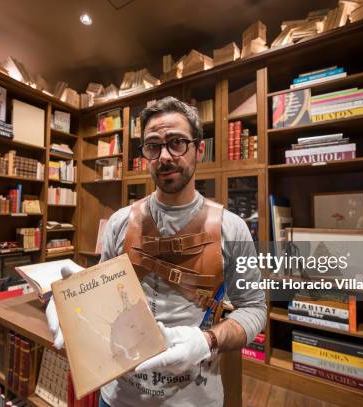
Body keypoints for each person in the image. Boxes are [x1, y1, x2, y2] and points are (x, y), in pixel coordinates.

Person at [46, 96, 267, 407]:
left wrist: (207, 341)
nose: (165, 156)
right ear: (145, 155)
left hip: (195, 399)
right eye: (153, 145)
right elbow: (103, 301)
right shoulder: (119, 223)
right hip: (118, 397)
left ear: (199, 150)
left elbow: (256, 309)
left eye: (177, 142)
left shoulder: (232, 228)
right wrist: (69, 304)